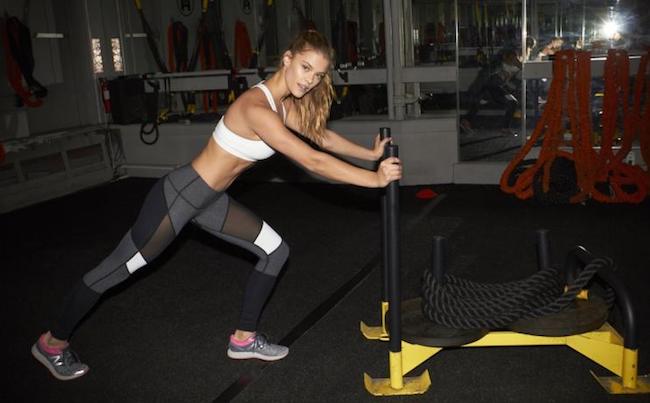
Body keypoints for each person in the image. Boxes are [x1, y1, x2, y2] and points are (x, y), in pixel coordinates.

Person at [31, 30, 402, 381]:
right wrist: (374, 179)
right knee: (115, 270)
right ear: (287, 58)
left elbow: (321, 136)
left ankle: (243, 339)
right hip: (178, 198)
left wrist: (368, 153)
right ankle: (52, 342)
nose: (309, 80)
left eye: (318, 75)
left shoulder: (281, 105)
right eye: (305, 68)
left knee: (275, 251)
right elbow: (313, 160)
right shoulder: (257, 107)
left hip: (209, 200)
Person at [460, 48, 522, 136]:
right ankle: (505, 128)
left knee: (481, 102)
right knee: (512, 102)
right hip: (493, 87)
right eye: (511, 59)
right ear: (505, 57)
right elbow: (491, 74)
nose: (513, 61)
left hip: (492, 88)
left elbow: (518, 71)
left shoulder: (514, 67)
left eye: (514, 59)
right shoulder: (498, 64)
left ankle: (466, 121)